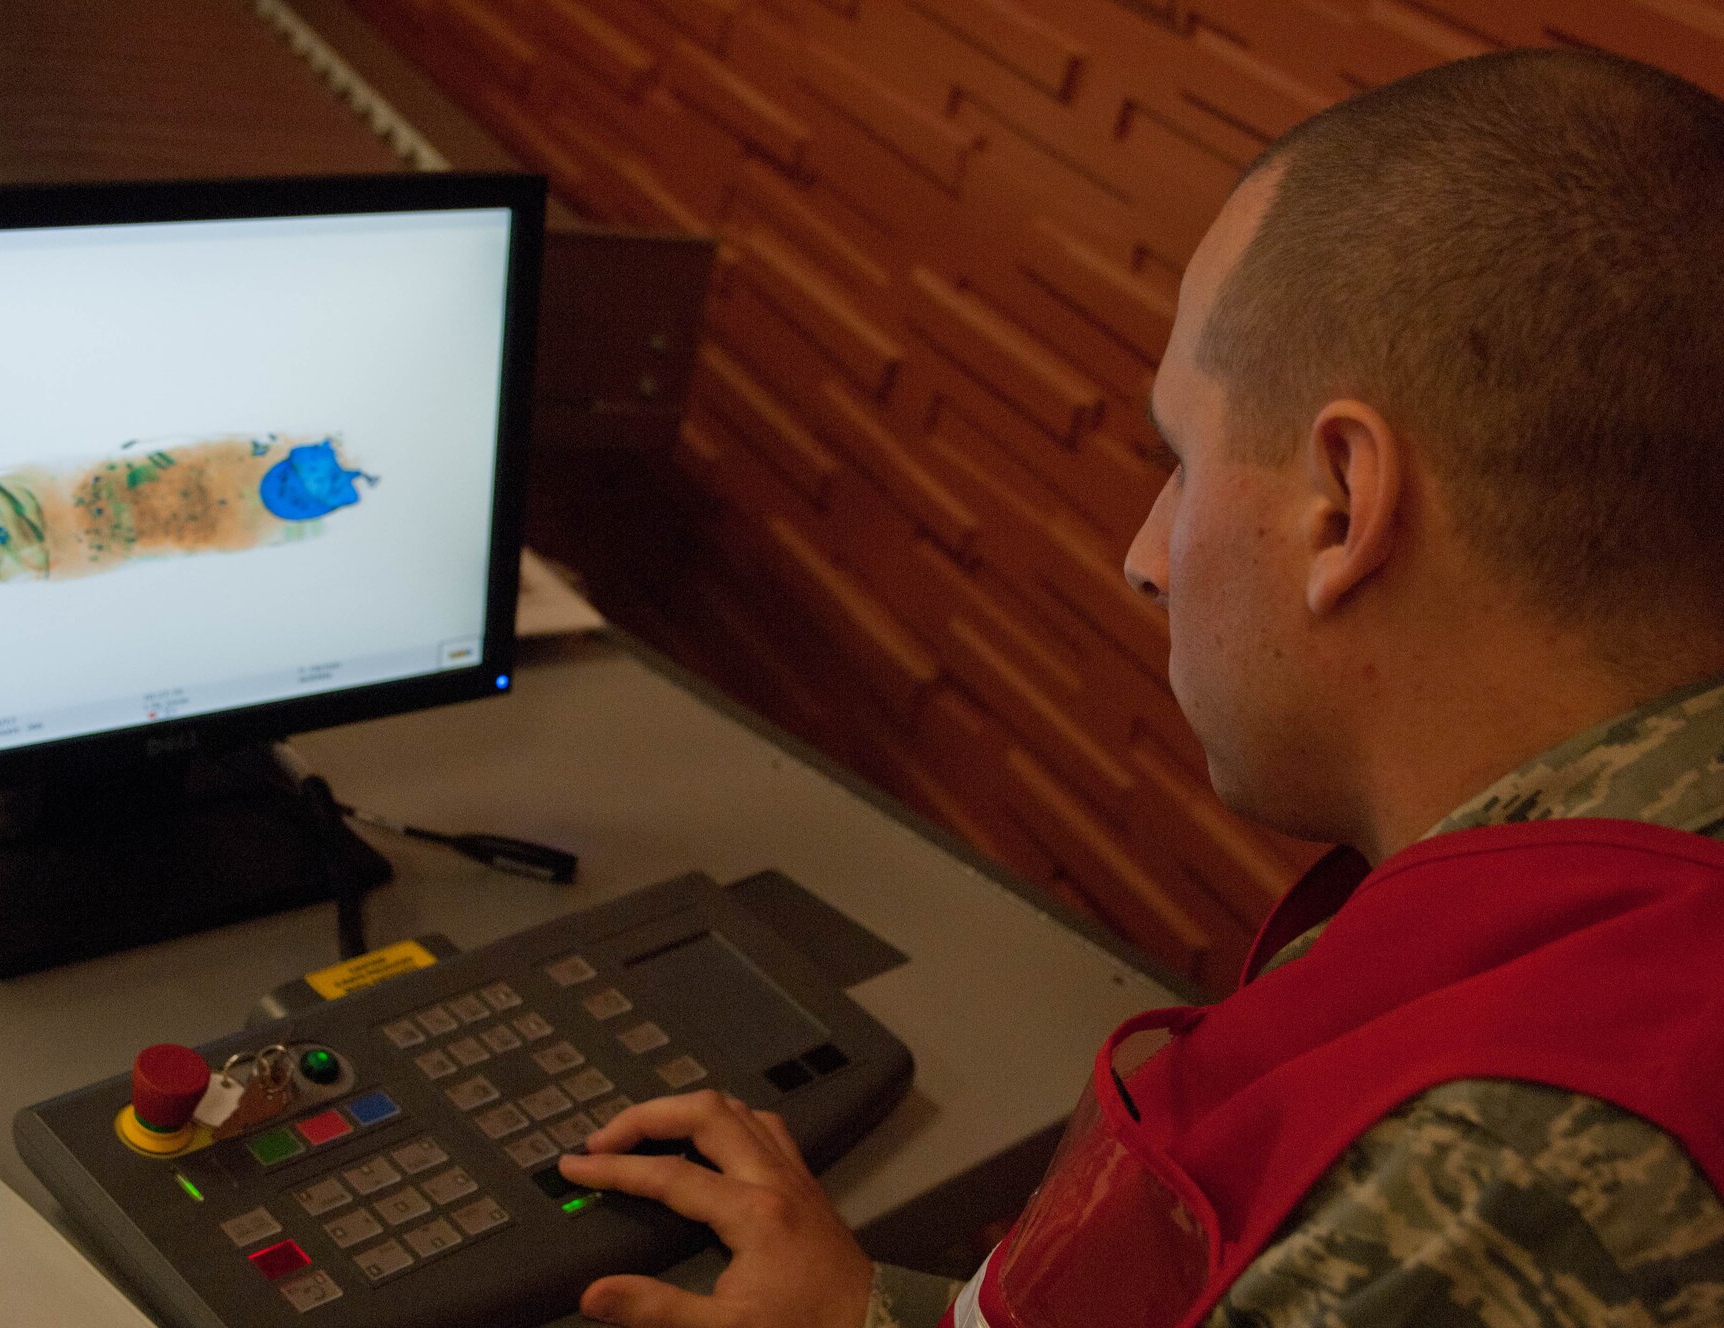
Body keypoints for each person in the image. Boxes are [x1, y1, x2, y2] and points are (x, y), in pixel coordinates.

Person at [556, 46, 1724, 1328]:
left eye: (1181, 456)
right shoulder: (1593, 863)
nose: (1141, 555)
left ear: (1341, 506)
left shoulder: (1501, 1172)